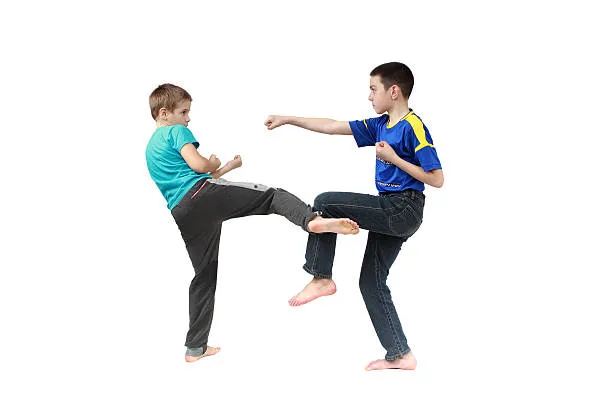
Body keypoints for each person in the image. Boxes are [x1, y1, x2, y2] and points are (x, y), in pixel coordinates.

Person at [145, 83, 359, 362]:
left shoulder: (150, 149)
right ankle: (312, 221)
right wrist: (212, 162)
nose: (188, 118)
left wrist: (227, 168)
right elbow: (199, 168)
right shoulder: (175, 131)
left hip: (184, 212)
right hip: (201, 195)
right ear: (164, 113)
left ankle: (195, 347)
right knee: (272, 196)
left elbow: (192, 179)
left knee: (204, 275)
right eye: (184, 112)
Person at [264, 62, 444, 371]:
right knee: (370, 282)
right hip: (390, 207)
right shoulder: (380, 124)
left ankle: (321, 277)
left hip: (404, 208)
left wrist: (394, 158)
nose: (369, 96)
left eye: (374, 89)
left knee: (325, 203)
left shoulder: (413, 126)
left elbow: (437, 178)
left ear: (394, 91)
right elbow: (333, 126)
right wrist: (289, 119)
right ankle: (401, 354)